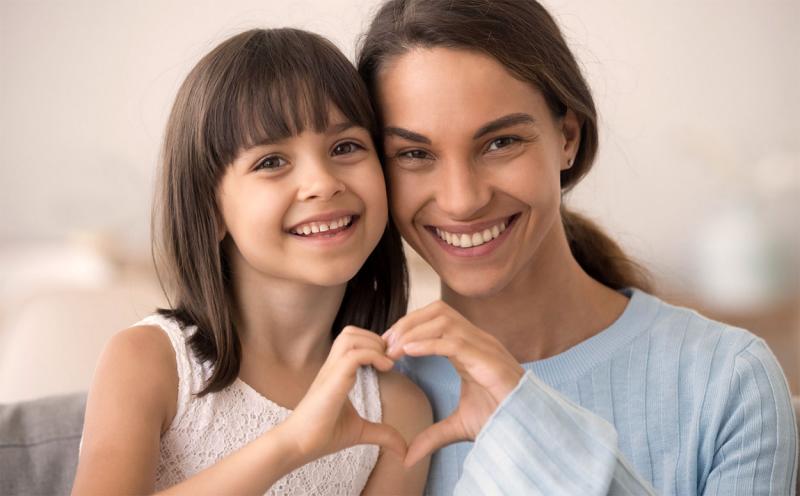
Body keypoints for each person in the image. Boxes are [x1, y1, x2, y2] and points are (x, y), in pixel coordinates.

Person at [356, 0, 798, 494]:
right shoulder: (364, 404)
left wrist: (532, 422)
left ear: (567, 136)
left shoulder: (729, 380)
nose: (462, 200)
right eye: (414, 154)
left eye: (500, 143)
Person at [71, 28, 431, 495]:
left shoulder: (399, 410)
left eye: (345, 147)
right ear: (211, 210)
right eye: (271, 161)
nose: (322, 183)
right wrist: (292, 444)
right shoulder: (147, 362)